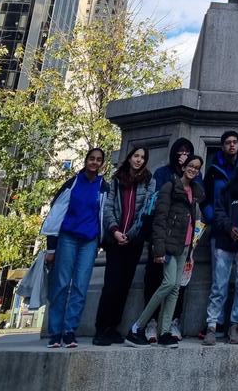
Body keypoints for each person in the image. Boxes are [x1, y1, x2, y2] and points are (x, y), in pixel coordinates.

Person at [126, 154, 205, 347]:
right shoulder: (169, 187)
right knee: (169, 284)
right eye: (190, 166)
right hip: (169, 245)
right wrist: (158, 248)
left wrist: (192, 248)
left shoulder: (194, 192)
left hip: (185, 246)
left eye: (196, 167)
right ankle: (137, 327)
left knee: (175, 288)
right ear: (183, 166)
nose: (193, 169)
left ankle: (165, 331)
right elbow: (160, 219)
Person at [42, 147, 109, 348]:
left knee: (81, 285)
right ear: (86, 160)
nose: (94, 162)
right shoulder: (72, 183)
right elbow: (54, 215)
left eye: (98, 160)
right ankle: (55, 331)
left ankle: (70, 330)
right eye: (92, 159)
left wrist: (102, 240)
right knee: (61, 284)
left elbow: (105, 214)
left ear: (102, 164)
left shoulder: (103, 186)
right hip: (68, 237)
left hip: (89, 241)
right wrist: (51, 248)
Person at [93, 146, 155, 345]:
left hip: (134, 240)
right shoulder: (116, 180)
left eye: (142, 157)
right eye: (136, 156)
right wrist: (114, 230)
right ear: (129, 158)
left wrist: (131, 233)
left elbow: (147, 209)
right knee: (111, 285)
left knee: (124, 286)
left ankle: (113, 327)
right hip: (115, 238)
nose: (138, 160)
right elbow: (108, 207)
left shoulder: (149, 181)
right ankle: (101, 328)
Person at [143, 137, 197, 342]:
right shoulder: (162, 174)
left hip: (184, 241)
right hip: (162, 238)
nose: (183, 155)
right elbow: (156, 208)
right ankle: (149, 322)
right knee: (155, 279)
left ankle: (172, 322)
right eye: (180, 151)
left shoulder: (195, 179)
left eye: (187, 152)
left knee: (179, 283)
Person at [204, 150, 238, 345]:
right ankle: (212, 325)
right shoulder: (228, 188)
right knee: (219, 284)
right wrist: (228, 228)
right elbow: (218, 210)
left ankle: (234, 325)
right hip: (224, 241)